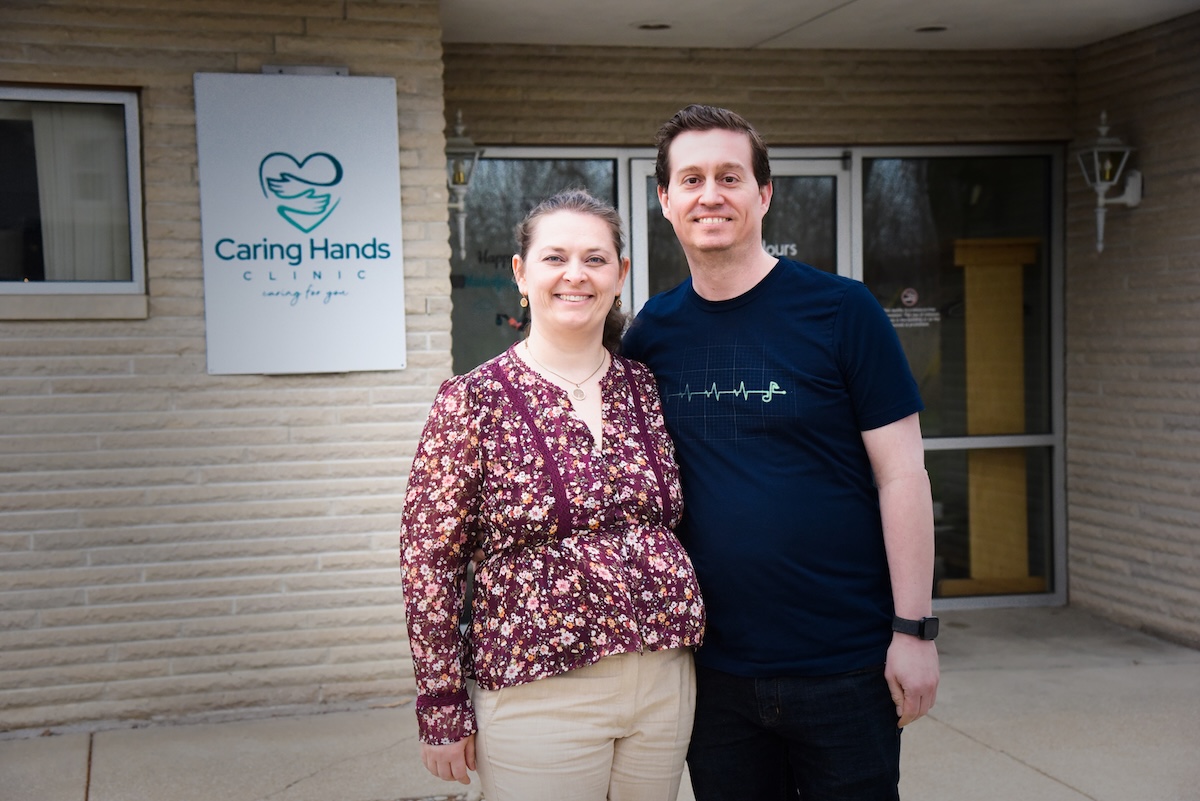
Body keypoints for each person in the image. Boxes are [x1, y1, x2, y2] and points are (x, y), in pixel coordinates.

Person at [622, 104, 940, 801]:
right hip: (713, 672)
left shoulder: (843, 311)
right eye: (692, 179)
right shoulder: (652, 334)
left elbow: (903, 475)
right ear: (665, 200)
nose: (711, 195)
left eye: (730, 177)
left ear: (764, 194)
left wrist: (914, 630)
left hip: (845, 665)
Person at [400, 189, 705, 801]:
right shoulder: (473, 399)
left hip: (664, 682)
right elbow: (429, 561)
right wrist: (441, 702)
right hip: (537, 688)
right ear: (521, 273)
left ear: (620, 275)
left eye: (595, 259)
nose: (575, 274)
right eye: (555, 258)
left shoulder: (645, 387)